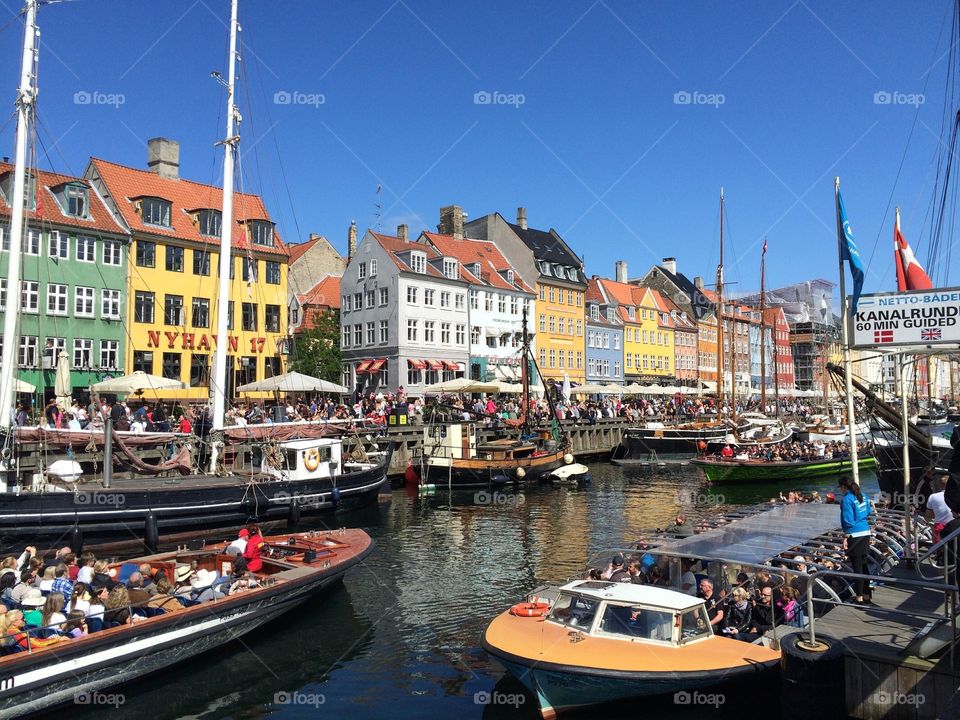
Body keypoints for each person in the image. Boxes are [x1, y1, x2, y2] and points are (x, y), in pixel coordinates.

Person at [839, 474, 873, 604]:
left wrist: (846, 537)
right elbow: (868, 511)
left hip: (855, 534)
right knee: (864, 565)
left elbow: (847, 520)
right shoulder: (862, 495)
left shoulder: (847, 499)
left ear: (843, 487)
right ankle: (866, 594)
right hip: (865, 531)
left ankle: (859, 597)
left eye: (840, 488)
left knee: (857, 567)